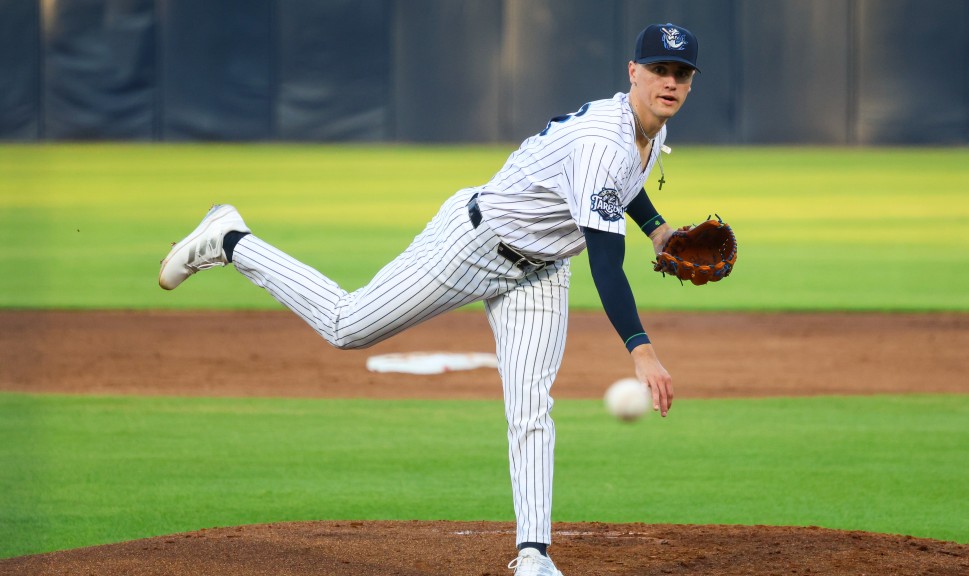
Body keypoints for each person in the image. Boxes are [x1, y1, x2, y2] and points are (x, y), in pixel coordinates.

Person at [158, 22, 700, 576]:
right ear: (632, 72)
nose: (670, 81)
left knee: (531, 405)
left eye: (681, 74)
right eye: (659, 69)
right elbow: (607, 263)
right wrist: (640, 349)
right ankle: (230, 240)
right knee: (347, 325)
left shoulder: (647, 130)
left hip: (541, 271)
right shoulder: (602, 142)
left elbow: (622, 189)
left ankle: (534, 554)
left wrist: (657, 230)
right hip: (473, 242)